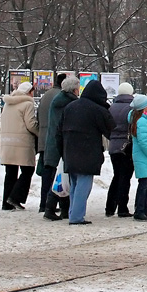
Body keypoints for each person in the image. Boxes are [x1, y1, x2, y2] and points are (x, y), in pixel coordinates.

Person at [57, 79, 115, 225]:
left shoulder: (70, 107)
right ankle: (76, 217)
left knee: (75, 183)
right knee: (84, 184)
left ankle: (73, 213)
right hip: (88, 151)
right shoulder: (97, 109)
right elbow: (110, 129)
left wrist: (62, 151)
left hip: (69, 150)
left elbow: (58, 132)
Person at [42, 76, 80, 221]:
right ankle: (50, 208)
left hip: (57, 143)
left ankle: (64, 209)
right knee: (60, 176)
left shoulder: (60, 100)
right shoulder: (67, 103)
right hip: (61, 144)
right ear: (74, 89)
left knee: (63, 176)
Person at [0, 82, 38, 210]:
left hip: (7, 142)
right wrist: (40, 134)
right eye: (32, 91)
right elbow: (31, 124)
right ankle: (15, 198)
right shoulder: (28, 104)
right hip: (22, 142)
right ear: (29, 92)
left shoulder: (8, 103)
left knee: (10, 172)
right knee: (28, 170)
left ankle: (6, 202)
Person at [105, 82, 136, 218]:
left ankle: (110, 207)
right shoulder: (132, 108)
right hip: (126, 146)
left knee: (116, 175)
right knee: (125, 177)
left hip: (113, 146)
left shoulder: (112, 107)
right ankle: (122, 207)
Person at [36, 73, 66, 213]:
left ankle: (43, 202)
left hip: (43, 138)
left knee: (46, 172)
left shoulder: (46, 95)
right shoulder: (61, 97)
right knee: (55, 173)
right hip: (55, 139)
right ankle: (51, 203)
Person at [128, 94, 147, 221]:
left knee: (146, 183)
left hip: (144, 158)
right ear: (143, 107)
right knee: (144, 185)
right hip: (144, 157)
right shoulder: (141, 121)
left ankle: (144, 209)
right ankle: (140, 210)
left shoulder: (142, 120)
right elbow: (143, 141)